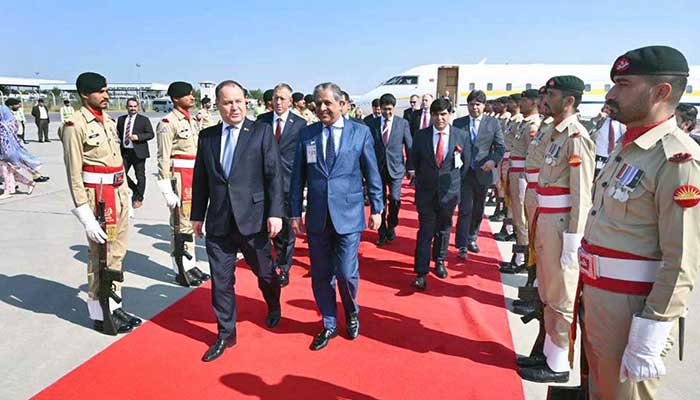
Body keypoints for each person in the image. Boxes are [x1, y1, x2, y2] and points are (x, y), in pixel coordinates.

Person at [580, 46, 700, 399]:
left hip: (633, 310)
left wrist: (652, 330)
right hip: (601, 297)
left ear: (661, 92)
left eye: (623, 84)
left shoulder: (677, 160)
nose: (610, 94)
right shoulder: (629, 146)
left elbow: (682, 262)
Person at [191, 80, 283, 362]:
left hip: (253, 221)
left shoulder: (261, 132)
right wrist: (197, 215)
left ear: (247, 102)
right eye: (228, 102)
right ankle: (225, 335)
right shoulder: (207, 137)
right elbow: (201, 180)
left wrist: (275, 213)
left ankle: (273, 303)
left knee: (265, 273)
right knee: (220, 281)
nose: (235, 107)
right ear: (218, 105)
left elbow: (274, 176)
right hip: (219, 222)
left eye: (239, 101)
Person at [289, 82, 383, 351]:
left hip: (349, 214)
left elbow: (372, 172)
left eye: (327, 103)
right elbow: (298, 178)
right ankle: (329, 322)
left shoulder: (360, 133)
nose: (321, 108)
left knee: (345, 272)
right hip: (318, 216)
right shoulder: (307, 135)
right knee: (320, 274)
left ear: (341, 104)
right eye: (317, 103)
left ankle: (351, 312)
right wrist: (295, 212)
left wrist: (377, 207)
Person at [518, 75, 594, 383]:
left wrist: (573, 241)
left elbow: (582, 194)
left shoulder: (576, 137)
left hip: (562, 225)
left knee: (562, 296)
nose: (544, 99)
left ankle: (559, 363)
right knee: (548, 293)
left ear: (569, 101)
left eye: (551, 94)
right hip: (546, 219)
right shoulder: (556, 133)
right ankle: (548, 353)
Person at [59, 72, 141, 334]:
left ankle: (115, 305)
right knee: (100, 256)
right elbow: (73, 173)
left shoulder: (107, 120)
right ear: (85, 94)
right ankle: (99, 312)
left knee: (117, 251)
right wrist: (85, 215)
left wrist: (126, 195)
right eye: (101, 92)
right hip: (98, 199)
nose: (106, 96)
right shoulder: (75, 125)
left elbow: (117, 162)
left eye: (106, 91)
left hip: (117, 194)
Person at [411, 98, 469, 289]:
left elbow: (465, 165)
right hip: (426, 192)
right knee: (426, 231)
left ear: (450, 114)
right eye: (435, 114)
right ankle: (421, 272)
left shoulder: (461, 136)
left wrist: (453, 184)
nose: (439, 118)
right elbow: (415, 162)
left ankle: (440, 260)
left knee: (444, 229)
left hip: (449, 192)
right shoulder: (420, 136)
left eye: (443, 114)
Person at [155, 81, 208, 286]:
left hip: (193, 174)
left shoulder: (191, 120)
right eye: (188, 95)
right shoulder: (168, 123)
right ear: (176, 99)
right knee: (180, 223)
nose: (192, 98)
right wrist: (166, 188)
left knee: (191, 221)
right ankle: (180, 268)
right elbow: (163, 157)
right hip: (179, 176)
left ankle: (191, 263)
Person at [256, 83, 307, 287]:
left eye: (282, 98)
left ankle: (283, 268)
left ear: (290, 101)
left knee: (286, 230)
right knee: (263, 227)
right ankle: (266, 264)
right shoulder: (261, 122)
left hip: (288, 183)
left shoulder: (301, 124)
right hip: (262, 183)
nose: (278, 102)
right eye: (275, 98)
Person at [453, 90, 505, 259]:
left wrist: (493, 161)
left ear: (483, 106)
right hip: (464, 172)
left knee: (478, 209)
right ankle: (461, 244)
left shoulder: (493, 123)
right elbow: (453, 145)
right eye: (471, 104)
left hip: (483, 172)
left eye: (478, 104)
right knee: (465, 208)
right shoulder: (458, 123)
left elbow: (500, 148)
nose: (474, 107)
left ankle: (472, 237)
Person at [498, 89, 541, 271]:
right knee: (516, 215)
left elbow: (532, 157)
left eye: (523, 101)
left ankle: (522, 258)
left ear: (533, 103)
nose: (518, 105)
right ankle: (519, 254)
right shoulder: (524, 123)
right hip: (514, 172)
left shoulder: (532, 125)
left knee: (522, 218)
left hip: (523, 175)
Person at [368, 93, 413, 245]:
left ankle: (392, 224)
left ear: (394, 108)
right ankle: (382, 232)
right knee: (379, 201)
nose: (387, 112)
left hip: (396, 168)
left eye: (389, 109)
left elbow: (409, 145)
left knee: (394, 199)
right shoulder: (372, 124)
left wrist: (411, 167)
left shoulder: (402, 123)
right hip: (377, 169)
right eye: (384, 109)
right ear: (379, 109)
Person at [493, 93, 523, 242]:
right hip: (507, 160)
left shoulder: (521, 122)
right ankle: (508, 226)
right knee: (504, 192)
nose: (507, 105)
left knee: (513, 200)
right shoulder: (513, 121)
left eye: (511, 102)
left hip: (515, 164)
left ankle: (511, 230)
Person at [117, 98, 154, 208]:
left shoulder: (144, 120)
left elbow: (150, 134)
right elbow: (119, 134)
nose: (133, 108)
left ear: (138, 107)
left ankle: (138, 198)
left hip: (138, 152)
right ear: (127, 107)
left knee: (140, 176)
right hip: (125, 152)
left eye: (134, 106)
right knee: (121, 175)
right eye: (130, 106)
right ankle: (135, 189)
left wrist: (138, 137)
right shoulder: (121, 119)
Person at [0, 105, 38, 198]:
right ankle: (29, 183)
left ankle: (7, 191)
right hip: (5, 149)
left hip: (6, 150)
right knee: (8, 171)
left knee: (5, 171)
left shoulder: (5, 124)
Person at [589, 104, 626, 176]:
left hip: (613, 158)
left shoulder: (621, 124)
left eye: (610, 109)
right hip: (597, 156)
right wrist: (597, 119)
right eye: (606, 108)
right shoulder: (599, 121)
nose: (608, 111)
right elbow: (587, 132)